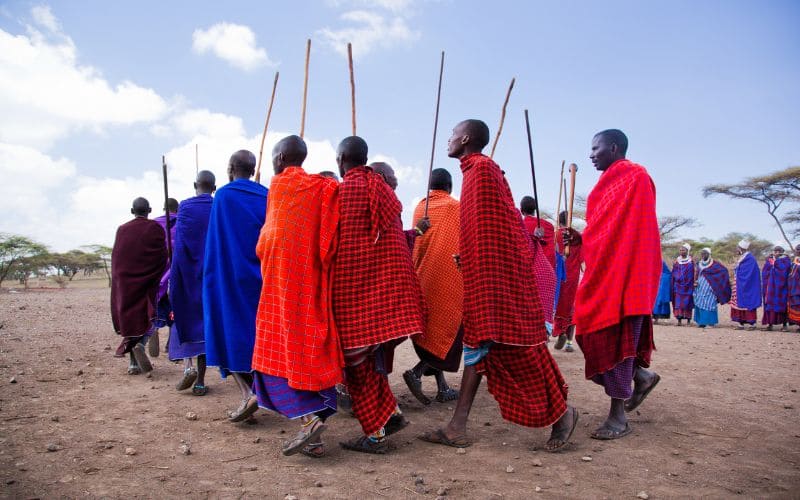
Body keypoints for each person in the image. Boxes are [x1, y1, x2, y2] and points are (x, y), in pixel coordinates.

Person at [420, 119, 577, 452]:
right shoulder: (474, 172)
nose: (448, 139)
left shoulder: (481, 171)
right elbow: (484, 228)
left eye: (452, 134)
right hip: (484, 274)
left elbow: (502, 227)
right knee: (477, 348)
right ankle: (457, 427)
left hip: (497, 279)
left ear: (464, 138)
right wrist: (470, 255)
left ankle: (562, 415)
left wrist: (482, 260)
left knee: (518, 348)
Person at [332, 136, 425, 454]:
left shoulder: (339, 194)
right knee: (368, 364)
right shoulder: (383, 191)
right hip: (387, 296)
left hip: (354, 296)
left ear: (342, 158)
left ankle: (375, 434)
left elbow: (331, 244)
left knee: (355, 366)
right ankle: (390, 415)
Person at [250, 136, 341, 458]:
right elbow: (326, 236)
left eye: (275, 156)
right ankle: (313, 438)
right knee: (309, 351)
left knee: (274, 355)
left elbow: (267, 239)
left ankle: (308, 422)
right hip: (311, 283)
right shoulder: (321, 187)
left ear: (282, 156)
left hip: (279, 286)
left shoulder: (281, 185)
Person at [568, 128, 661, 440]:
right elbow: (603, 229)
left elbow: (632, 230)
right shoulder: (603, 186)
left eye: (596, 148)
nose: (591, 154)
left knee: (618, 341)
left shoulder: (636, 177)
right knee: (590, 334)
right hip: (606, 271)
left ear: (615, 146)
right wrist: (582, 237)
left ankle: (618, 415)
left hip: (628, 273)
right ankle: (641, 376)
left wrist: (592, 237)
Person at [203, 150, 268, 422]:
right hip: (262, 276)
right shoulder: (267, 194)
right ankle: (257, 394)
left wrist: (210, 278)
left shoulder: (224, 196)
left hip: (230, 278)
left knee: (230, 335)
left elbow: (217, 243)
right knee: (257, 337)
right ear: (253, 170)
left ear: (230, 168)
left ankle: (248, 393)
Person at [403, 168, 463, 405]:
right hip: (448, 280)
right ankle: (417, 372)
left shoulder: (421, 207)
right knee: (446, 335)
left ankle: (442, 388)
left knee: (432, 333)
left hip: (422, 277)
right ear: (449, 186)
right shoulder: (454, 207)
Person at [168, 171, 216, 396]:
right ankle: (200, 381)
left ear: (195, 184)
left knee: (185, 318)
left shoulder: (185, 207)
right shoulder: (218, 206)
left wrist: (174, 278)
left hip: (188, 273)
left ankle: (187, 366)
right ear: (214, 187)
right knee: (205, 325)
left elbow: (179, 246)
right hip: (212, 275)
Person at [110, 197, 168, 375]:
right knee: (148, 317)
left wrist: (119, 281)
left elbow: (117, 257)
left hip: (126, 282)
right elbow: (162, 255)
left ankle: (133, 364)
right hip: (147, 281)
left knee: (130, 319)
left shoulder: (122, 230)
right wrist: (156, 274)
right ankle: (141, 345)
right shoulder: (155, 228)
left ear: (132, 211)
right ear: (149, 210)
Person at [149, 197, 179, 357]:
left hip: (157, 275)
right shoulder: (181, 223)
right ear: (178, 210)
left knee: (157, 308)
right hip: (174, 275)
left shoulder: (153, 225)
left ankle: (154, 328)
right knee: (175, 312)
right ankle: (171, 345)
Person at [553, 210, 582, 352]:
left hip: (559, 274)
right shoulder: (577, 237)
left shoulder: (556, 234)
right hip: (574, 275)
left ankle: (560, 332)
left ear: (559, 221)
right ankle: (569, 342)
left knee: (558, 305)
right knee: (571, 307)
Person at [693, 248, 732, 328]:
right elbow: (697, 273)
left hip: (710, 286)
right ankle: (702, 322)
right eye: (702, 254)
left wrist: (717, 283)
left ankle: (710, 323)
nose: (703, 255)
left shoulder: (714, 264)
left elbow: (724, 271)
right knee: (700, 302)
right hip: (700, 286)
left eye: (705, 254)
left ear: (709, 254)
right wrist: (695, 281)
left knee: (709, 303)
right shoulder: (699, 264)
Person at [731, 240, 761, 330]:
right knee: (738, 302)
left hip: (747, 284)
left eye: (737, 247)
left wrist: (740, 277)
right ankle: (740, 323)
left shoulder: (750, 258)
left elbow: (749, 273)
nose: (736, 249)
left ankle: (752, 324)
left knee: (748, 302)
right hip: (739, 284)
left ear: (741, 248)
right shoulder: (743, 257)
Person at [521, 196, 556, 270]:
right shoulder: (549, 226)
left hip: (530, 271)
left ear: (521, 210)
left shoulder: (519, 226)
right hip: (548, 270)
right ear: (535, 210)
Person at [761, 245, 791, 331]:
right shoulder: (770, 260)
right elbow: (765, 271)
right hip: (770, 288)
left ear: (782, 251)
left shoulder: (786, 260)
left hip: (781, 288)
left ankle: (784, 325)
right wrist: (771, 265)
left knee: (782, 305)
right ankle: (770, 325)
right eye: (775, 251)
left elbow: (784, 271)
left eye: (779, 251)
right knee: (769, 305)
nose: (777, 253)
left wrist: (776, 262)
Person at [671, 243, 694, 325]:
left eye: (683, 250)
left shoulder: (691, 262)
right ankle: (679, 320)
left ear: (687, 251)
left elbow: (692, 273)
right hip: (678, 285)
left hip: (688, 285)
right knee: (678, 302)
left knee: (687, 302)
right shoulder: (677, 261)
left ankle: (688, 320)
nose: (681, 251)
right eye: (680, 250)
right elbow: (674, 272)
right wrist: (677, 278)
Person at [788, 244, 800, 330]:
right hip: (794, 287)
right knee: (796, 306)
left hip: (798, 287)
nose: (797, 251)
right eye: (797, 249)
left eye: (798, 249)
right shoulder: (795, 260)